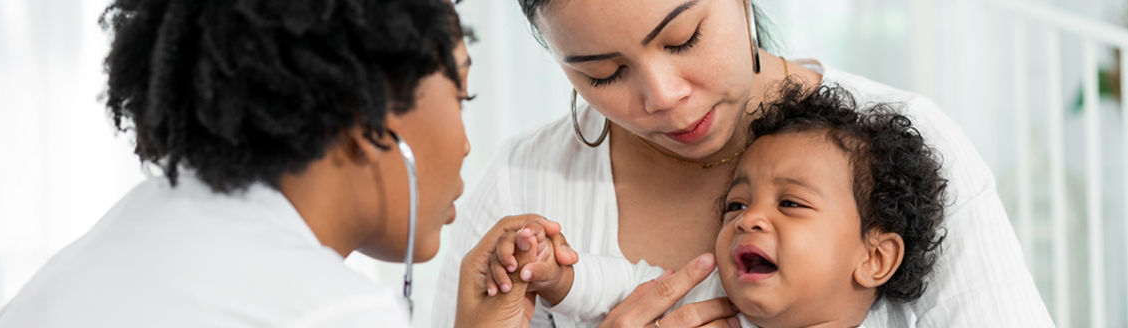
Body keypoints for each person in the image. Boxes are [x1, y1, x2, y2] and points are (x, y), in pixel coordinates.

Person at [440, 0, 1054, 326]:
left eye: (684, 38)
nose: (663, 96)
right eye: (603, 73)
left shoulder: (904, 145)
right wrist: (557, 277)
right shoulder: (523, 184)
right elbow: (616, 285)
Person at [0, 0, 481, 326]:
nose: (466, 145)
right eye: (461, 91)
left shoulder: (113, 240)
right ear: (369, 111)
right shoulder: (333, 312)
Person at [491, 82, 950, 327]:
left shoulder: (901, 320)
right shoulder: (714, 302)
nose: (750, 218)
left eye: (790, 203)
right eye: (734, 205)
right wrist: (557, 275)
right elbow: (620, 283)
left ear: (874, 258)